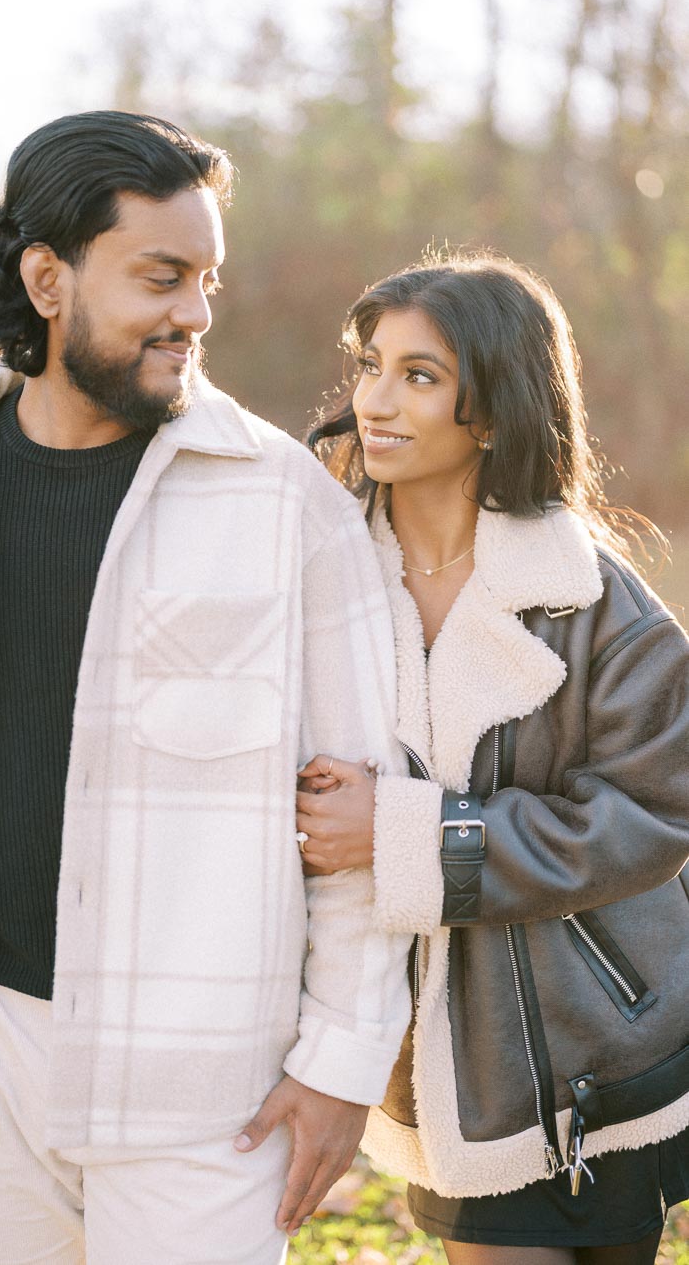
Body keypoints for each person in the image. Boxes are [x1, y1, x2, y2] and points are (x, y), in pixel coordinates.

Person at [0, 111, 414, 1265]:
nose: (197, 314)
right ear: (47, 279)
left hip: (207, 1088)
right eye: (163, 277)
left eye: (207, 280)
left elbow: (365, 809)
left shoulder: (287, 508)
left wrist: (338, 1062)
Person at [296, 251, 689, 1265]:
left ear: (499, 409)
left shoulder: (602, 609)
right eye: (372, 365)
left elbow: (653, 820)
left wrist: (407, 835)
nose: (376, 400)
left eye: (419, 376)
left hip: (608, 1054)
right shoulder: (318, 585)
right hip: (445, 1076)